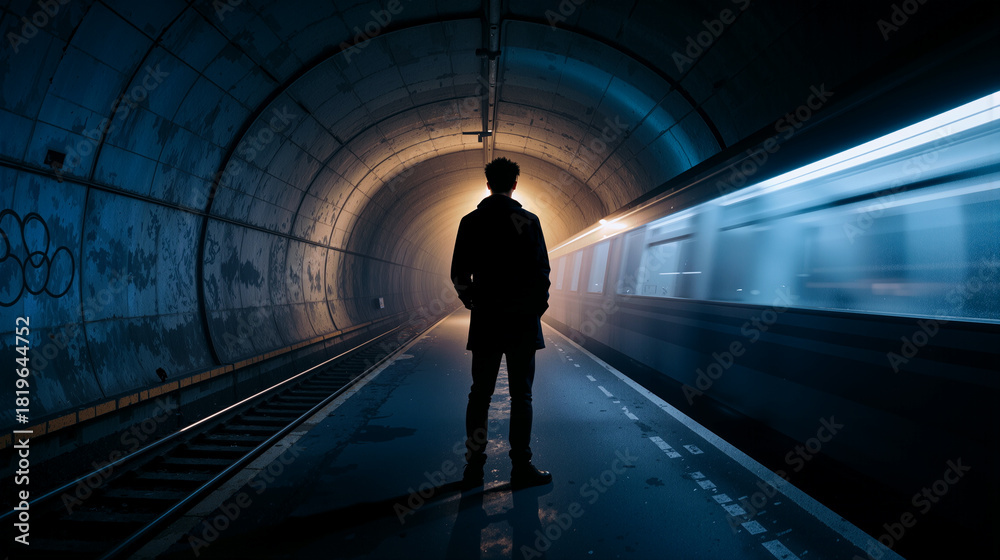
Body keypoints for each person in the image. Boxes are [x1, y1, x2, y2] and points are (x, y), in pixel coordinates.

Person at [451, 156, 552, 489]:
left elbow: (458, 274)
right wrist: (535, 309)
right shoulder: (529, 220)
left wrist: (474, 302)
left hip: (487, 320)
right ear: (515, 184)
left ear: (488, 183)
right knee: (521, 396)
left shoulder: (471, 222)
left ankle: (474, 470)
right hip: (522, 321)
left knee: (480, 394)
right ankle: (521, 468)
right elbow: (542, 272)